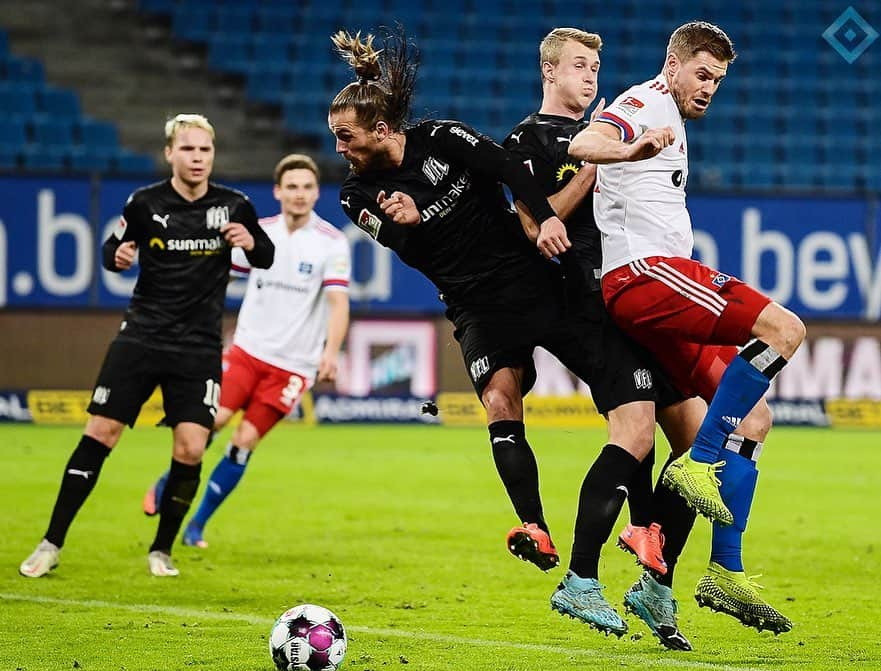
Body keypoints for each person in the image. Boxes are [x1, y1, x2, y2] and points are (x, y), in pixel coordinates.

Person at [329, 27, 690, 642]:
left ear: (384, 129)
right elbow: (403, 246)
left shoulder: (442, 137)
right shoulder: (355, 193)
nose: (340, 147)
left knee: (634, 405)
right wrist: (410, 222)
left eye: (346, 136)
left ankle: (643, 543)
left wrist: (546, 215)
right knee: (500, 399)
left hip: (540, 286)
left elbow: (504, 169)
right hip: (477, 308)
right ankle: (536, 527)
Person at [570, 21, 804, 633]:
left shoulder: (669, 110)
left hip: (662, 286)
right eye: (702, 75)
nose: (708, 89)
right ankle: (700, 462)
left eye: (718, 81)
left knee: (753, 420)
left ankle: (709, 575)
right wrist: (630, 148)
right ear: (672, 65)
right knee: (784, 330)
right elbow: (585, 144)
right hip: (643, 277)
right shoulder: (643, 102)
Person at [505, 27, 712, 650]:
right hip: (592, 305)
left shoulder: (614, 124)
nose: (591, 76)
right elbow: (532, 223)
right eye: (578, 65)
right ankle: (582, 577)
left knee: (700, 444)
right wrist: (595, 169)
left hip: (643, 292)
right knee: (635, 433)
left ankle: (656, 578)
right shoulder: (529, 142)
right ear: (550, 72)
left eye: (597, 66)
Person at [18, 114, 275, 578]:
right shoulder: (145, 203)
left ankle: (162, 550)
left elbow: (267, 255)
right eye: (188, 149)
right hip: (140, 337)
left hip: (197, 348)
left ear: (212, 155)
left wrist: (250, 242)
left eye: (205, 151)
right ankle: (50, 542)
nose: (197, 158)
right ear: (170, 154)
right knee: (101, 434)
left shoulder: (234, 205)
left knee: (192, 448)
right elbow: (110, 250)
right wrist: (115, 258)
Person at [141, 153, 351, 548]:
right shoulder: (258, 233)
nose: (300, 194)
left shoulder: (331, 243)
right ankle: (167, 482)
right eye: (292, 187)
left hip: (293, 367)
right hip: (246, 352)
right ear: (278, 192)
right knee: (209, 425)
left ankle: (196, 525)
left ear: (316, 192)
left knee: (244, 443)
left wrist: (331, 352)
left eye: (307, 187)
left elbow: (339, 302)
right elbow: (215, 275)